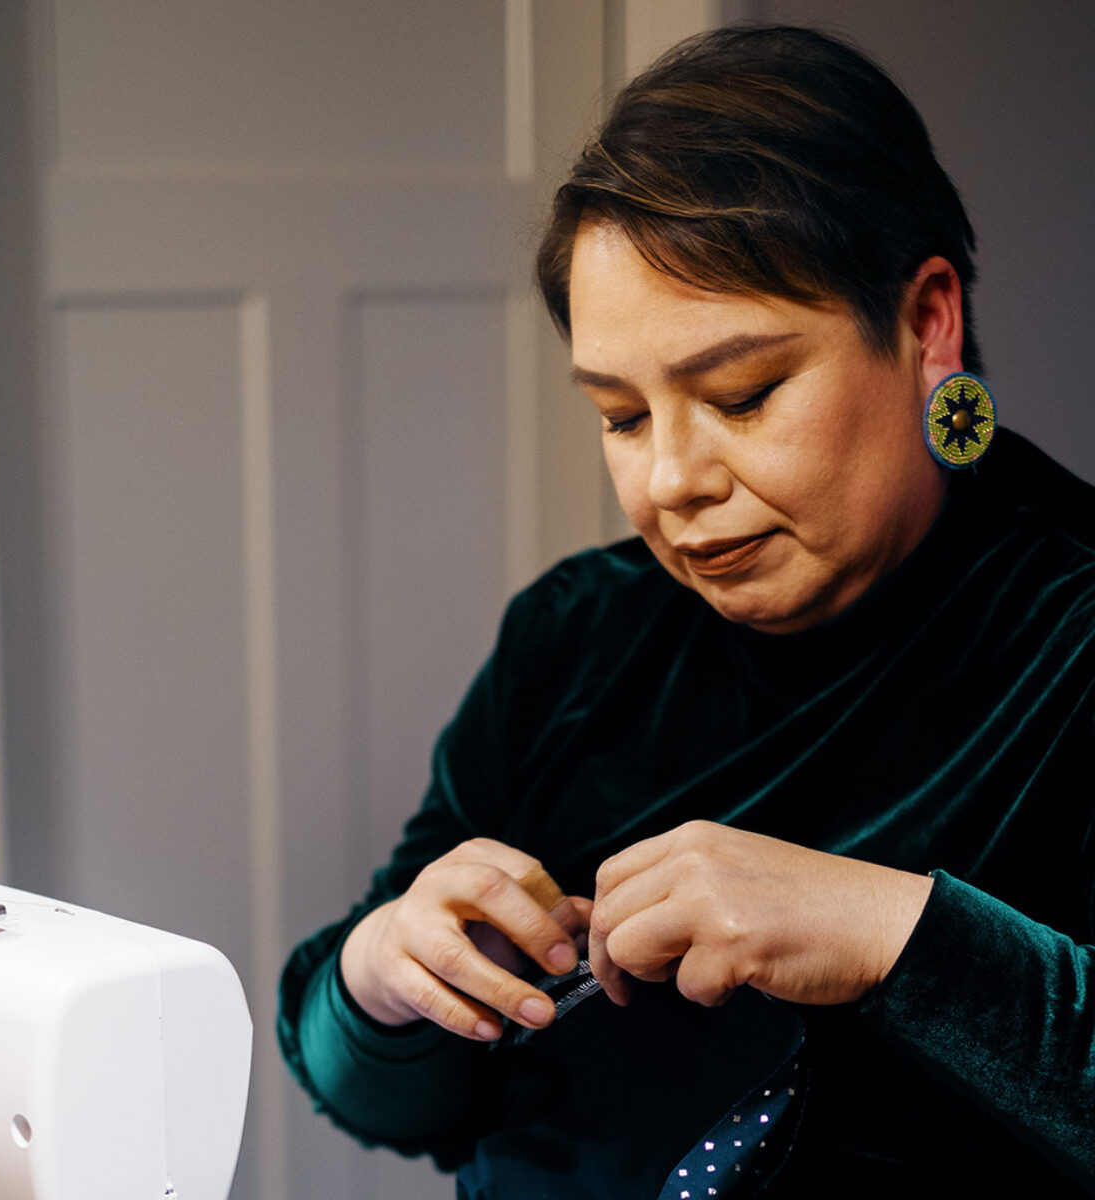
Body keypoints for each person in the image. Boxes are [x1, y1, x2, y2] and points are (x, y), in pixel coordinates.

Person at [278, 25, 1095, 1198]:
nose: (671, 483)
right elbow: (388, 1099)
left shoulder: (1069, 634)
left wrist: (893, 937)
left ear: (926, 326)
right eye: (621, 416)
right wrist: (375, 981)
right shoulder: (573, 636)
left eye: (741, 395)